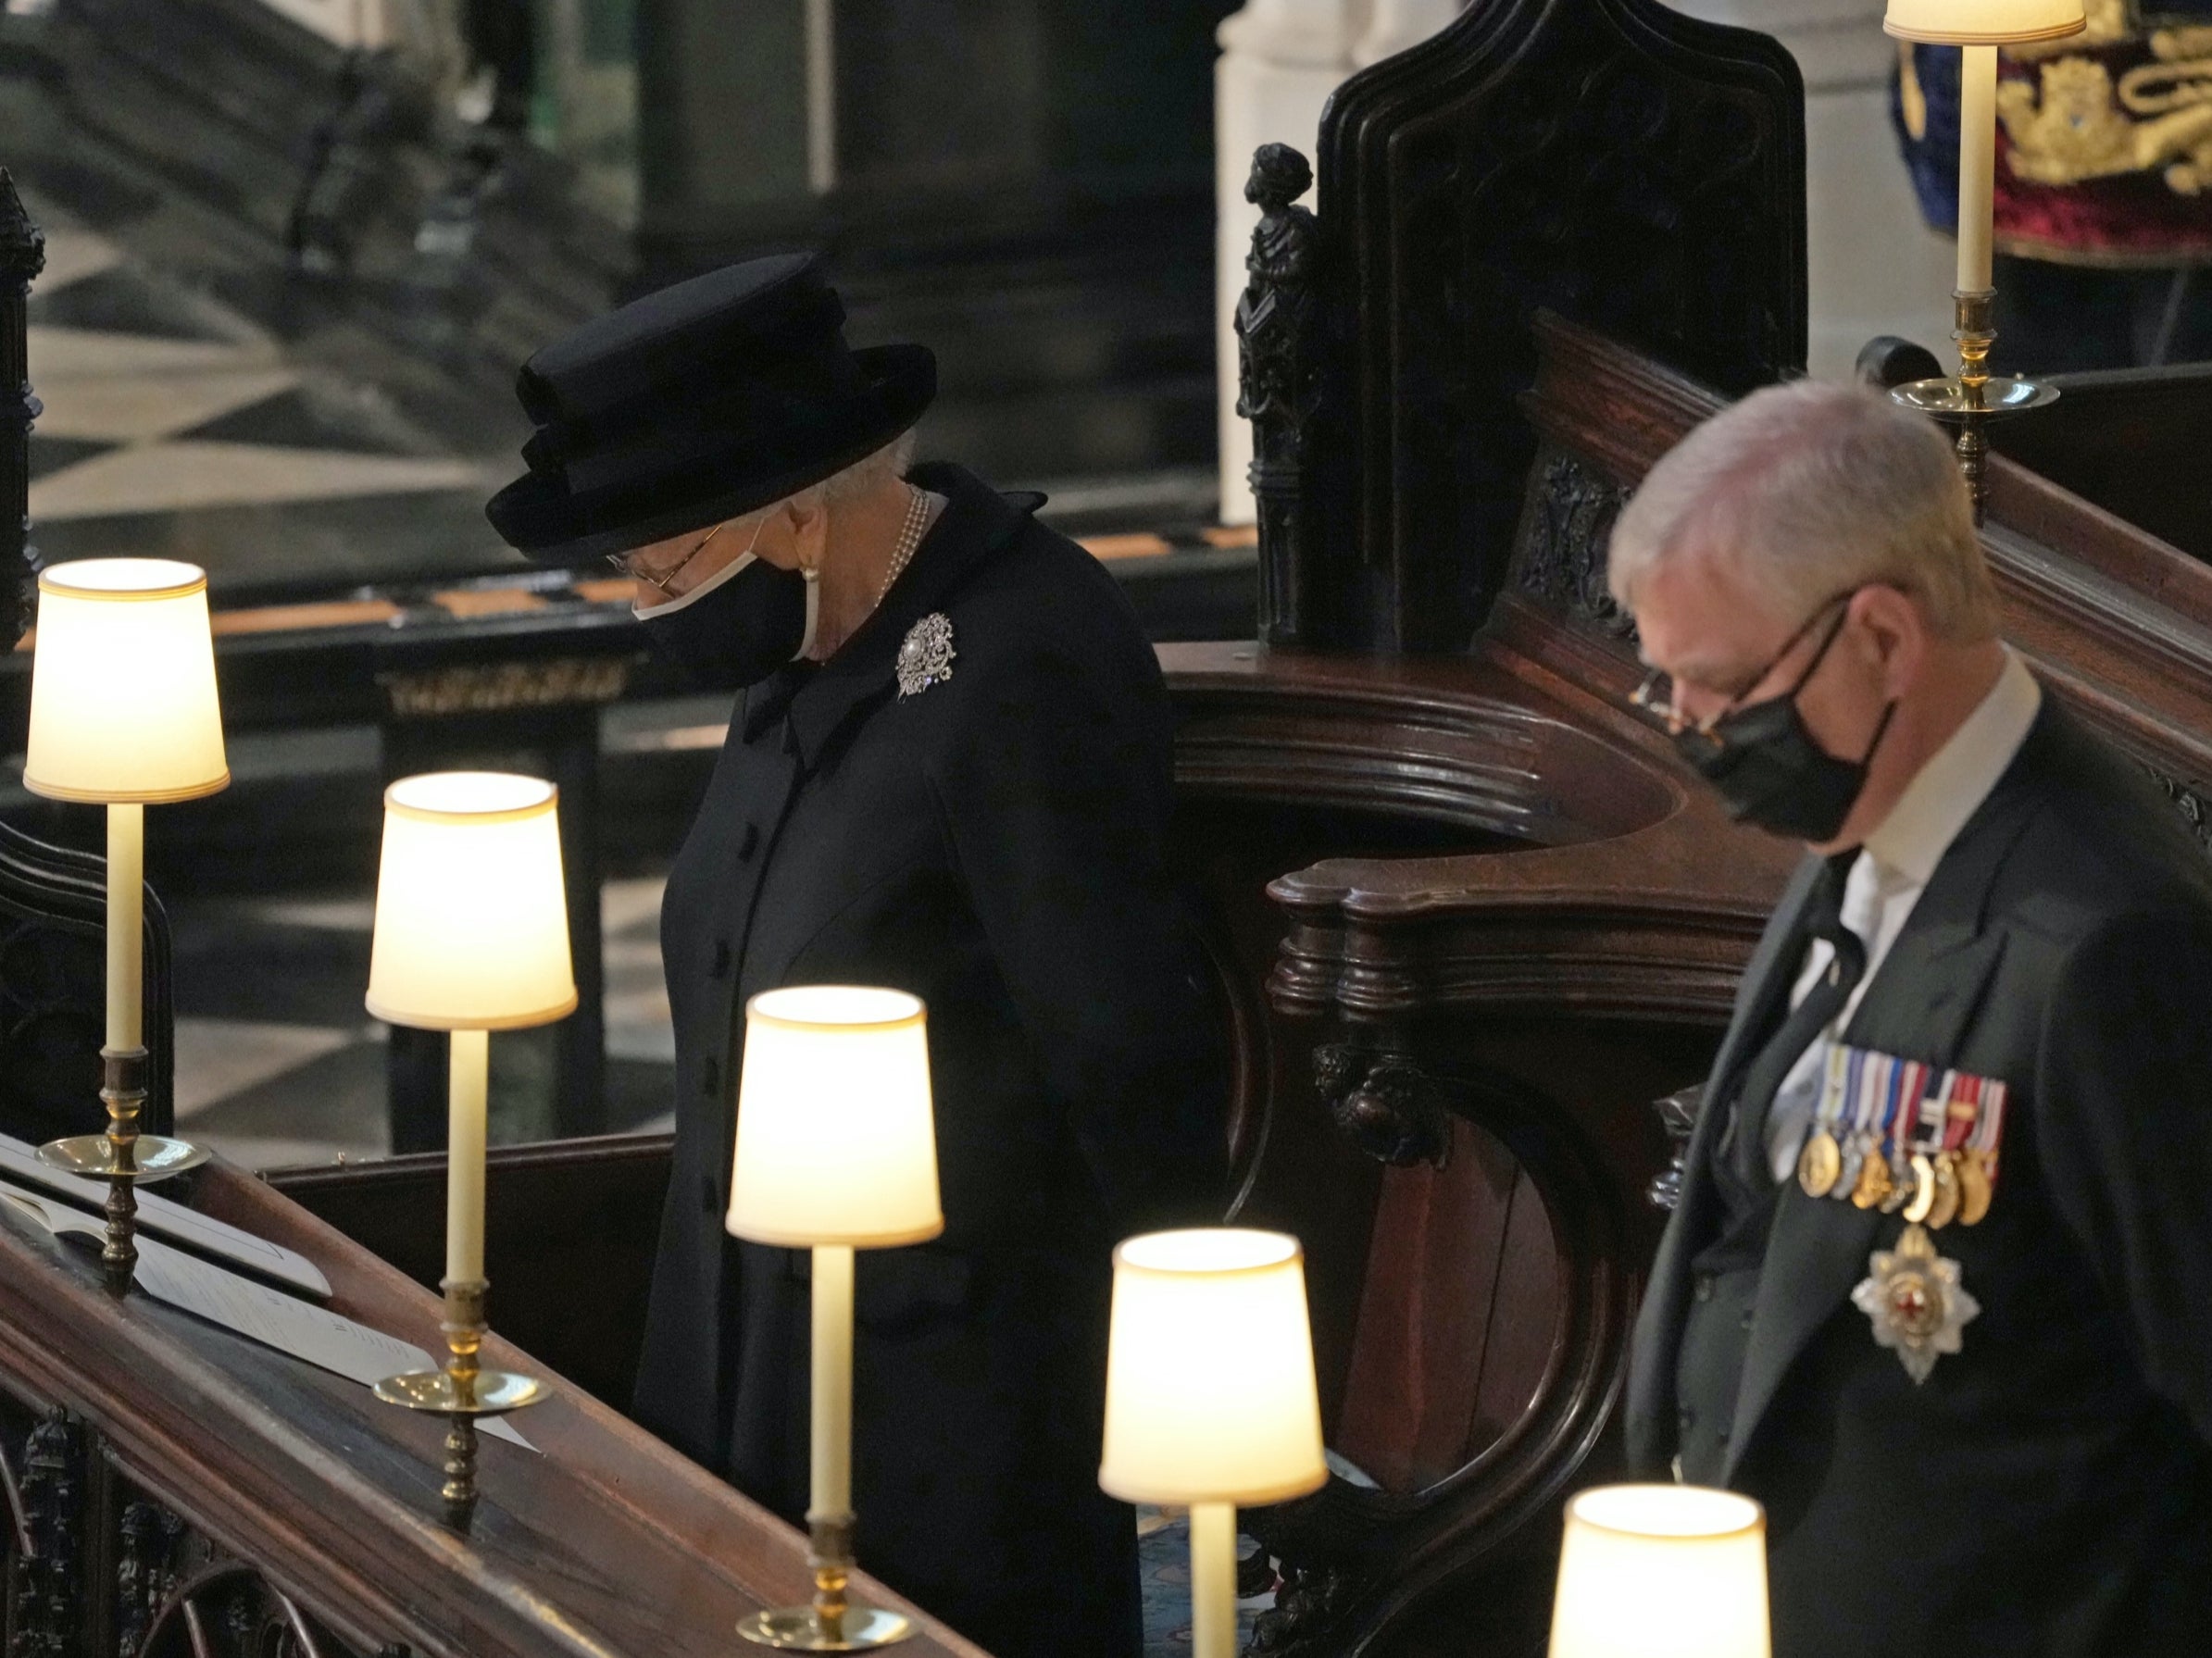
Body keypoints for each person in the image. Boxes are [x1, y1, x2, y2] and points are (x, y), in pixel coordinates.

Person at [484, 253, 1225, 1658]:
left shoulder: (1021, 657)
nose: (642, 599)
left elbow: (1123, 1049)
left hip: (942, 1393)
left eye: (660, 561)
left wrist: (1174, 1351)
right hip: (730, 1344)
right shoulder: (811, 639)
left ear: (793, 514)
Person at [1608, 380, 2212, 1657]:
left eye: (1711, 685)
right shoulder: (1874, 824)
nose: (1686, 731)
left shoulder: (2114, 948)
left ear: (1880, 641)